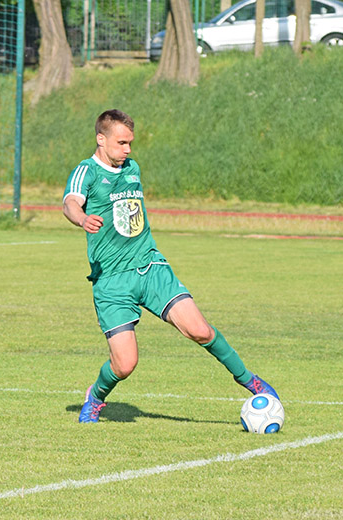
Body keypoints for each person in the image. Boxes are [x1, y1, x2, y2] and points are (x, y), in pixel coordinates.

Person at [62, 109, 279, 423]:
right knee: (125, 365)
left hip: (151, 268)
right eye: (121, 143)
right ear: (101, 139)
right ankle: (95, 396)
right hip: (111, 281)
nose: (128, 150)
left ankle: (250, 380)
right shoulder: (87, 172)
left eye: (130, 143)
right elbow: (70, 202)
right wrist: (81, 218)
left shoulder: (132, 167)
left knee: (200, 330)